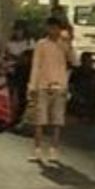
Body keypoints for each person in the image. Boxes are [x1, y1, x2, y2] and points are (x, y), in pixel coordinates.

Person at [28, 17, 74, 163]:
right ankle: (37, 150)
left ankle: (54, 149)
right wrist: (32, 85)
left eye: (56, 28)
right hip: (43, 85)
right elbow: (36, 65)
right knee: (39, 120)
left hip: (59, 85)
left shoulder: (64, 44)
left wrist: (69, 43)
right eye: (51, 28)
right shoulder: (41, 44)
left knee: (57, 120)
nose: (53, 31)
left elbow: (74, 60)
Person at [6, 21, 35, 126]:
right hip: (11, 70)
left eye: (20, 30)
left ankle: (19, 117)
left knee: (21, 93)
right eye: (16, 30)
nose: (18, 32)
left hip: (23, 70)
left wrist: (17, 58)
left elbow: (28, 57)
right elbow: (8, 55)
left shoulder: (29, 42)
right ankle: (9, 115)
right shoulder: (10, 43)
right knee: (11, 93)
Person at [68, 52, 95, 123]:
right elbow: (70, 87)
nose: (88, 63)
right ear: (82, 61)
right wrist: (77, 97)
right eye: (86, 60)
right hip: (79, 99)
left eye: (89, 61)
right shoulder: (76, 72)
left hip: (92, 99)